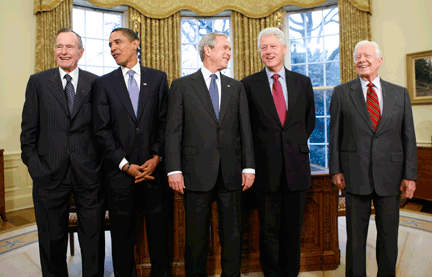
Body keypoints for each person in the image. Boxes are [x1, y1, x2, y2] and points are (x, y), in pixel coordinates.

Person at [165, 32, 255, 277]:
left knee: (232, 234)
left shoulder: (236, 87)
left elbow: (244, 129)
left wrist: (249, 167)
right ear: (208, 50)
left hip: (232, 173)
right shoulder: (182, 86)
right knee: (195, 236)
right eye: (225, 47)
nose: (229, 52)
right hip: (195, 173)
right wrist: (174, 169)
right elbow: (173, 131)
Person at [20, 28, 104, 277]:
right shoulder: (38, 82)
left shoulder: (96, 83)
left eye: (69, 47)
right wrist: (37, 170)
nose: (64, 51)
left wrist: (98, 167)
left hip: (88, 176)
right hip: (49, 176)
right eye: (59, 46)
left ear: (80, 52)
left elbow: (103, 130)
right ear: (54, 51)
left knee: (93, 239)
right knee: (50, 240)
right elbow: (28, 134)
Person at [329, 40, 417, 277]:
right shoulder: (341, 93)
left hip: (391, 176)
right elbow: (334, 134)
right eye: (357, 56)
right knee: (355, 239)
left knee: (388, 238)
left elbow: (409, 136)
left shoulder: (400, 93)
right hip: (354, 175)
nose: (361, 60)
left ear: (379, 60)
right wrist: (335, 169)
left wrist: (410, 175)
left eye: (367, 55)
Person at [93, 28, 169, 277]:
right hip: (119, 176)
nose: (113, 48)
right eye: (110, 44)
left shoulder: (158, 79)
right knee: (122, 239)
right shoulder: (103, 84)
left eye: (118, 42)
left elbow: (165, 122)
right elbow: (101, 131)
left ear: (136, 43)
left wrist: (156, 157)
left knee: (159, 235)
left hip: (153, 173)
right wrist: (125, 165)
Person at [241, 27, 315, 277]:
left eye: (273, 46)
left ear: (284, 48)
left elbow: (309, 121)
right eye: (264, 47)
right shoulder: (248, 85)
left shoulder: (302, 82)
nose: (269, 51)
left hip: (297, 167)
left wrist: (290, 145)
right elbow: (245, 127)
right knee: (269, 230)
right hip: (264, 170)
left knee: (293, 229)